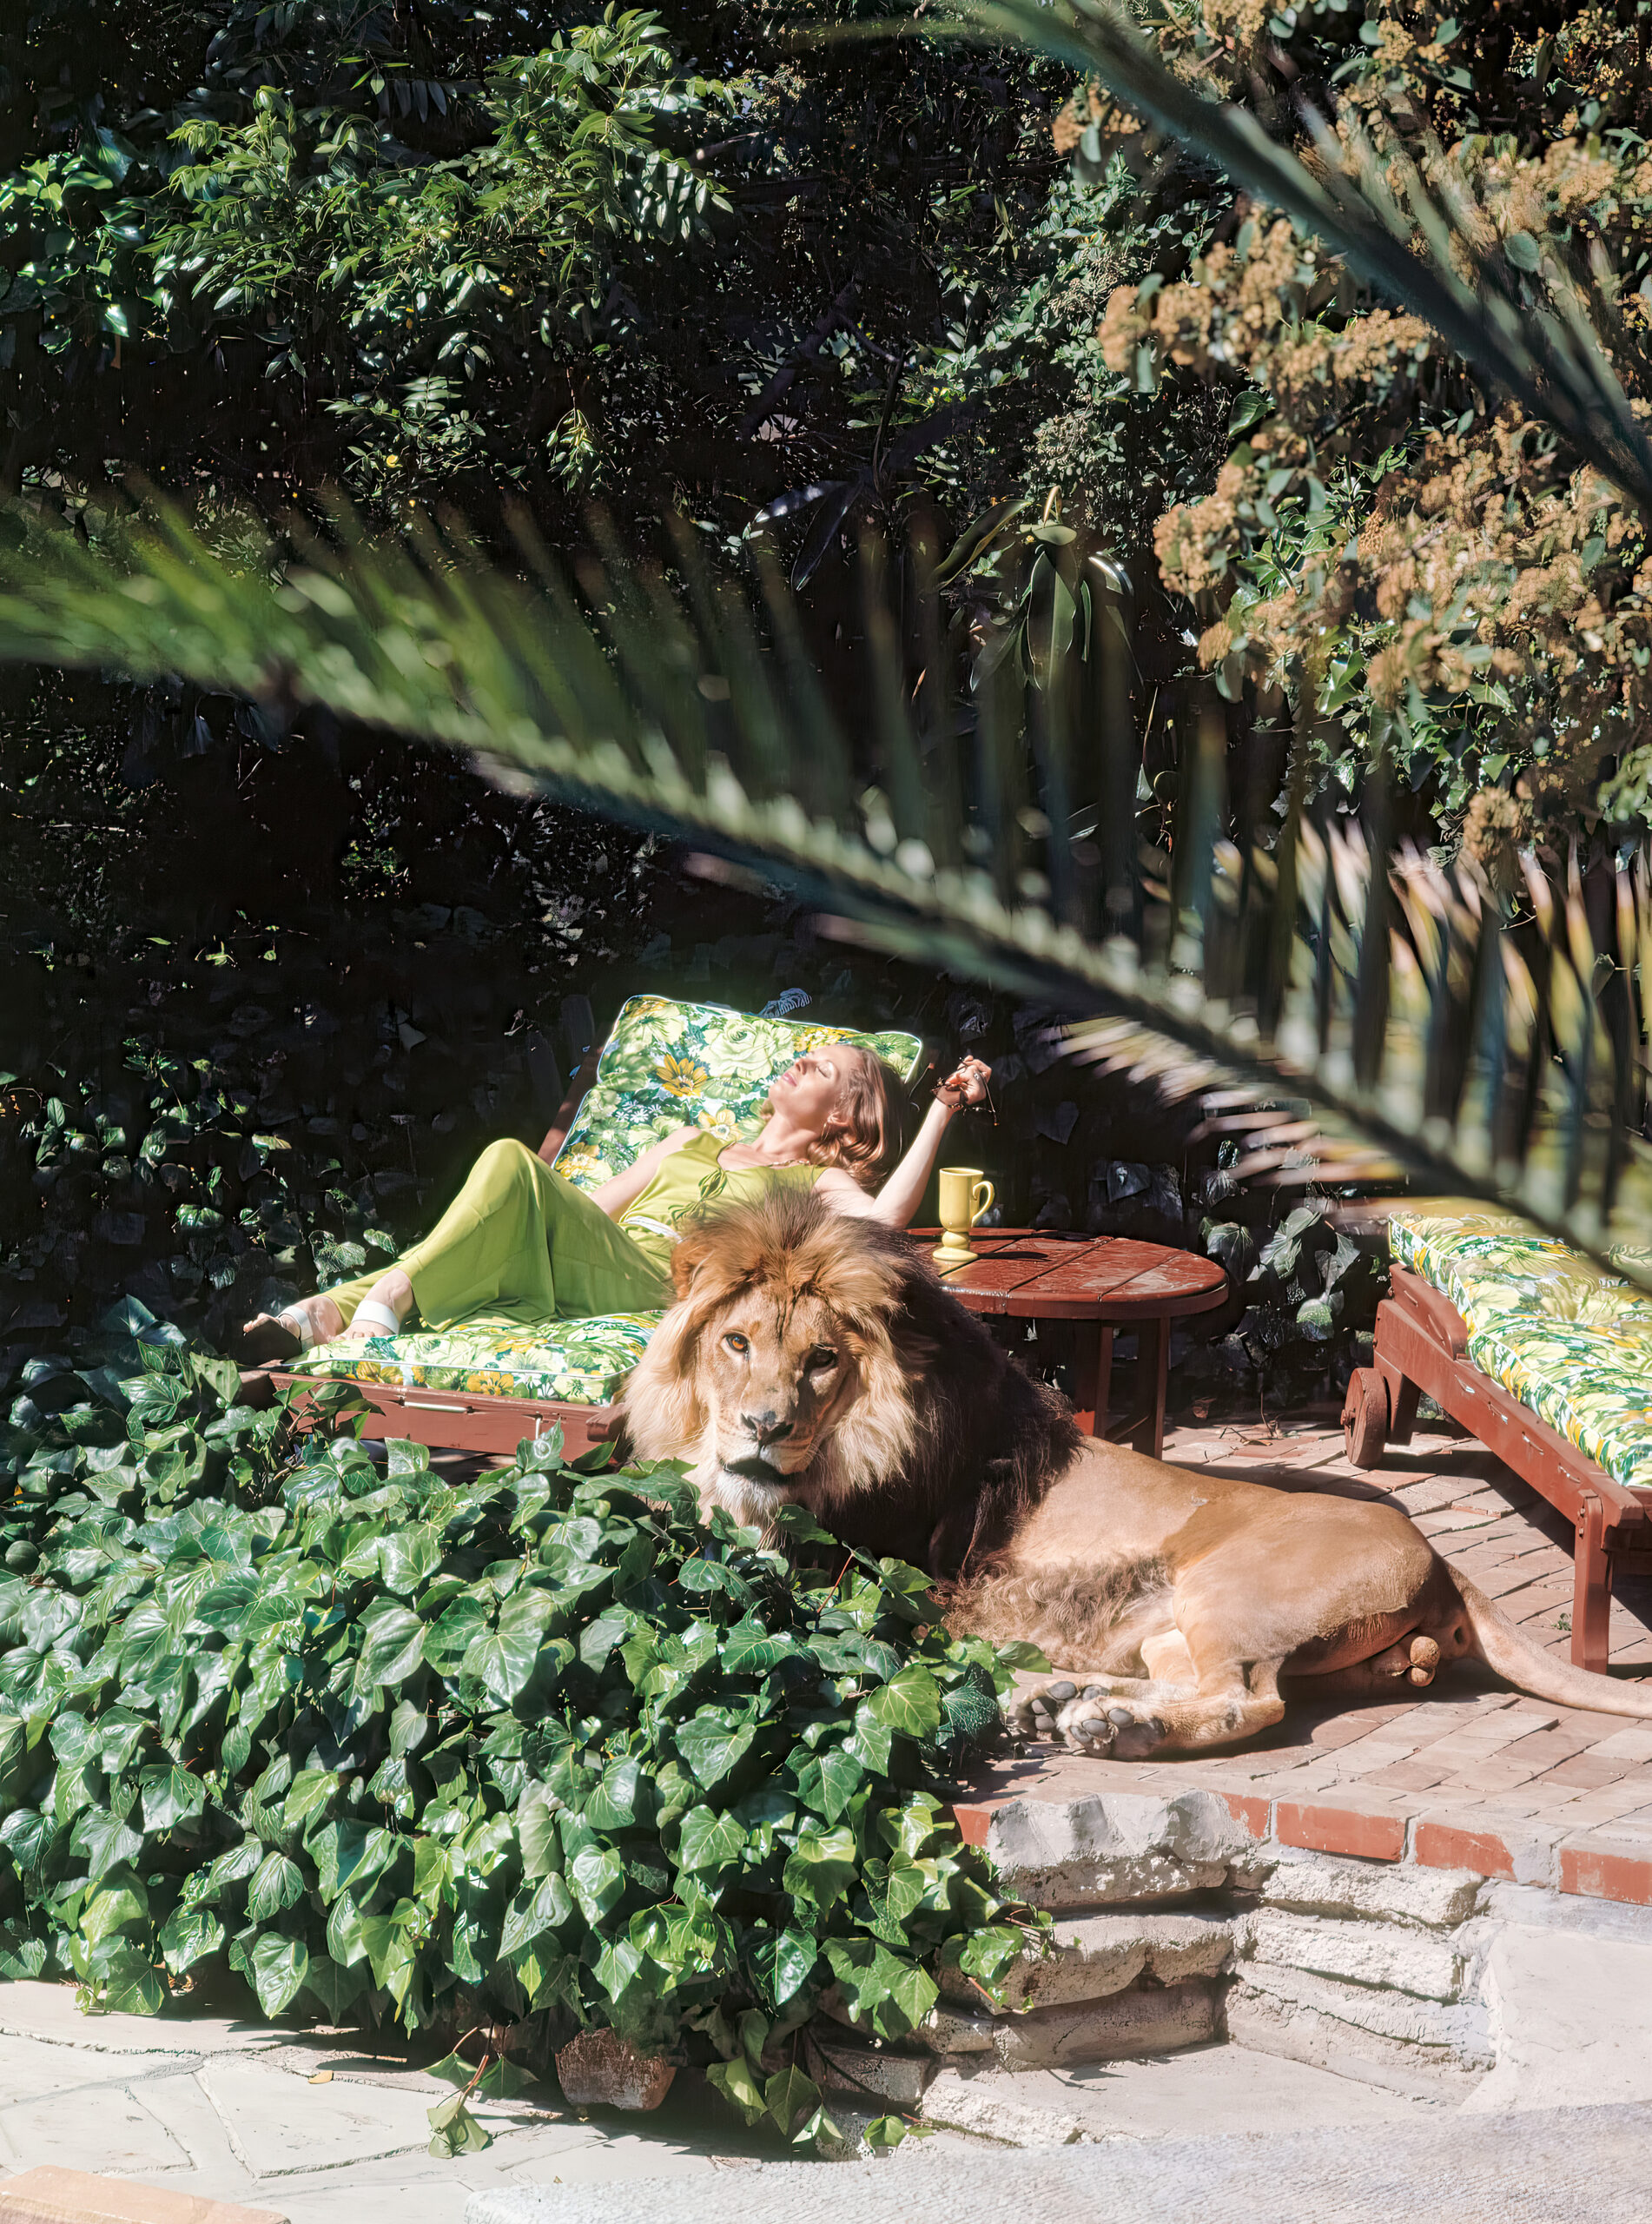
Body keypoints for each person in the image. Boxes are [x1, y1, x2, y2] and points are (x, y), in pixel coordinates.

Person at [241, 1042, 993, 1359]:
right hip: (592, 1255)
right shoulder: (687, 1140)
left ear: (840, 1116)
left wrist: (943, 1110)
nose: (798, 1060)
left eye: (820, 1066)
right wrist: (518, 1216)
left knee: (508, 1156)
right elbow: (584, 1207)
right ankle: (336, 1313)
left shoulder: (815, 1186)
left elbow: (889, 1222)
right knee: (513, 1176)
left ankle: (360, 1305)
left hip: (655, 1282)